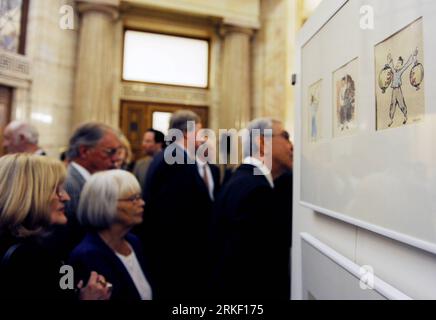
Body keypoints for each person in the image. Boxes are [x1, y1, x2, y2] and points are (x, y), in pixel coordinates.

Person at [0, 154, 111, 300]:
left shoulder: (47, 243)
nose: (66, 197)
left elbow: (65, 285)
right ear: (30, 194)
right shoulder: (28, 258)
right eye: (55, 189)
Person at [210, 118, 293, 300]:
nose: (291, 146)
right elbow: (254, 272)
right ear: (262, 143)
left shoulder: (241, 179)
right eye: (285, 137)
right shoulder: (256, 190)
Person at [139, 110, 214, 299]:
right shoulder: (177, 160)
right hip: (176, 255)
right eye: (199, 129)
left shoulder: (172, 155)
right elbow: (176, 214)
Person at [69, 170, 152, 300]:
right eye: (132, 199)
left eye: (139, 197)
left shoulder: (134, 242)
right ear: (105, 204)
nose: (142, 203)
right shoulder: (87, 256)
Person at [60, 122, 122, 258]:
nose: (116, 158)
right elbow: (70, 239)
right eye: (110, 151)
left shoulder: (97, 181)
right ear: (84, 151)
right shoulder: (69, 184)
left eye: (118, 151)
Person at [385, 48, 418, 127]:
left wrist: (413, 55)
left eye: (399, 63)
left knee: (401, 103)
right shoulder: (393, 69)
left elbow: (407, 64)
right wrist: (389, 56)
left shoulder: (400, 71)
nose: (397, 64)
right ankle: (391, 119)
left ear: (401, 65)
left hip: (398, 90)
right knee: (392, 104)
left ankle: (405, 116)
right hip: (393, 90)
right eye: (397, 63)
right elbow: (391, 63)